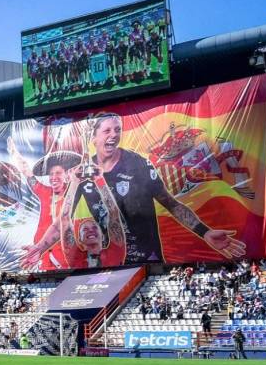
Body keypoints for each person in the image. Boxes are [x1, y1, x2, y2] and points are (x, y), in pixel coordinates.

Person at [73, 113, 246, 265]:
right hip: (109, 262)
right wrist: (44, 247)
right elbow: (61, 221)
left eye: (117, 130)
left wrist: (204, 231)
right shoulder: (83, 173)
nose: (114, 135)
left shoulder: (137, 164)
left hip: (145, 261)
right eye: (107, 131)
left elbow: (171, 204)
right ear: (93, 137)